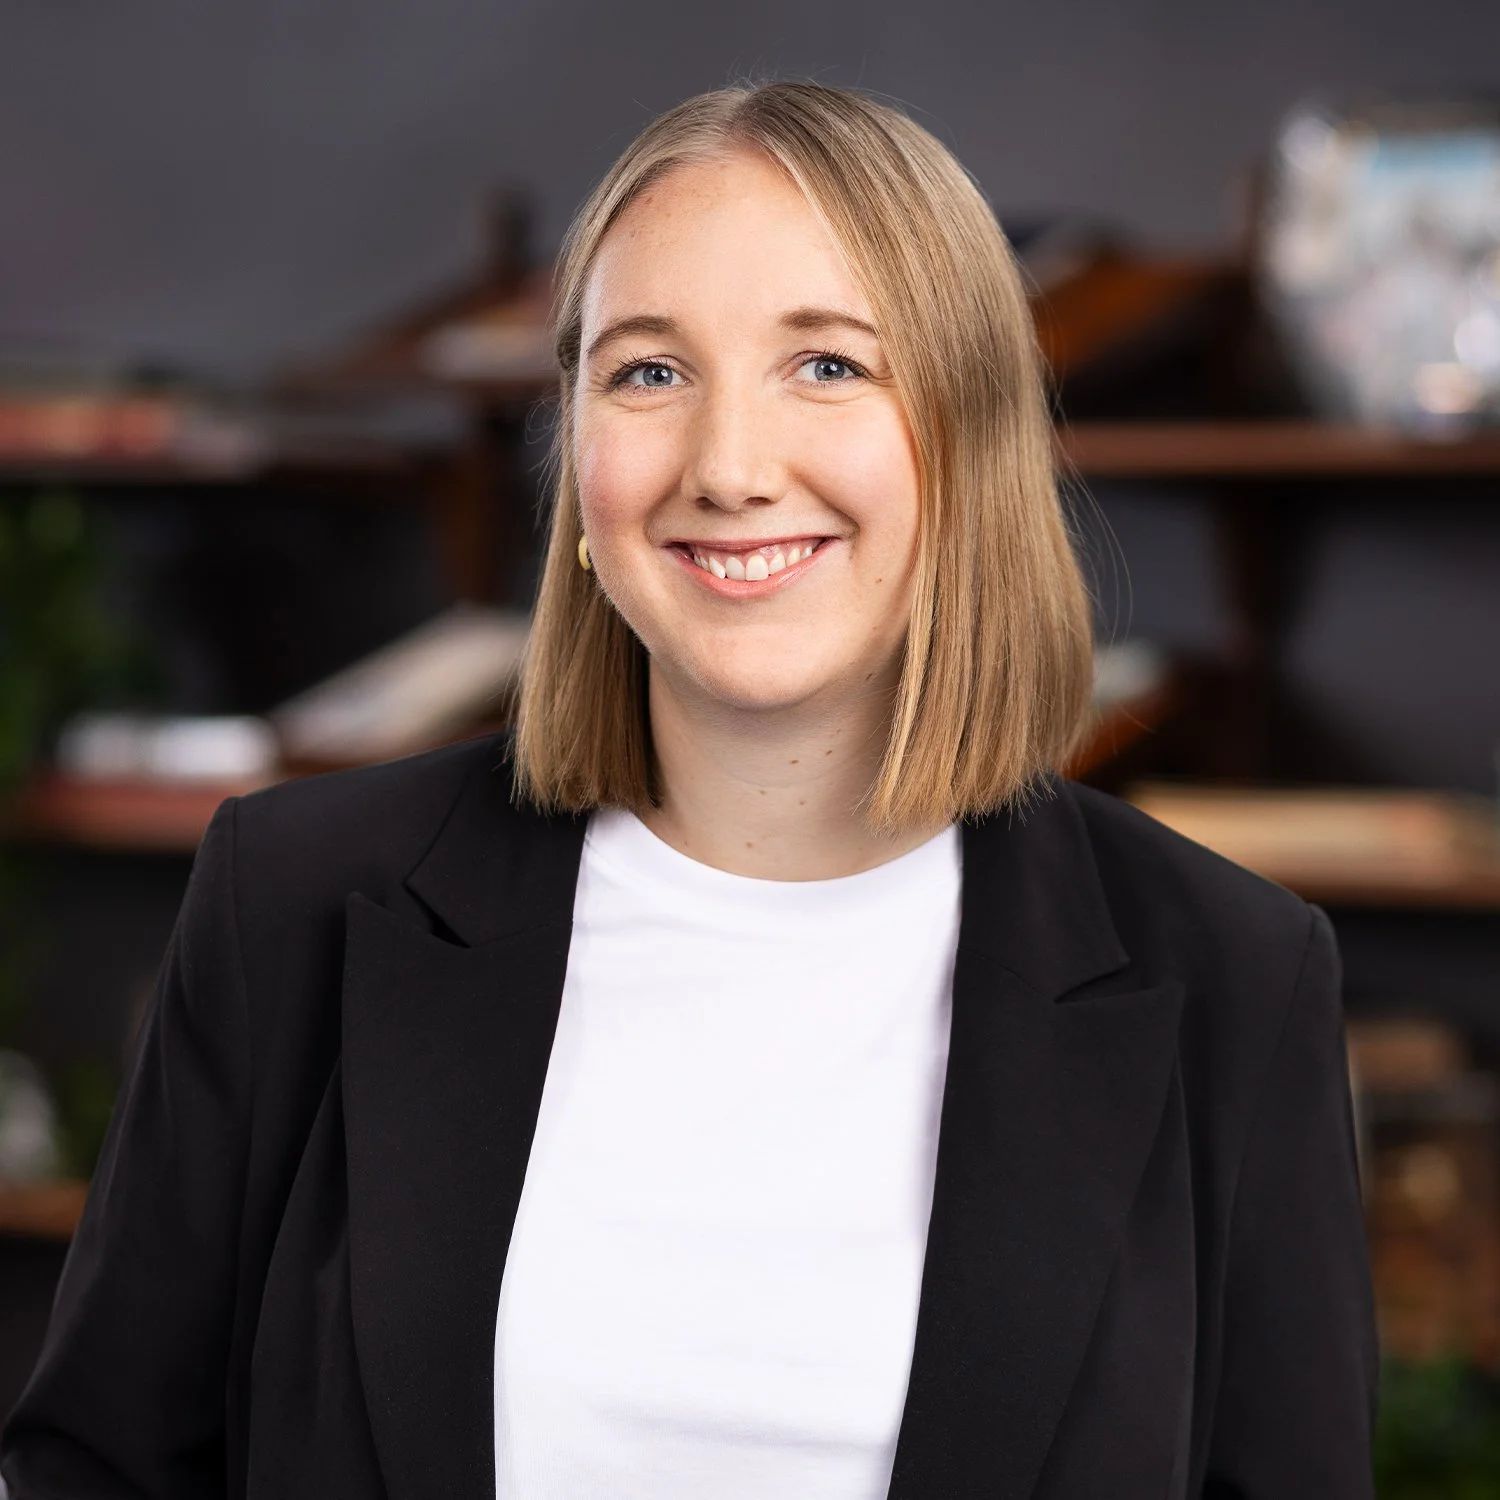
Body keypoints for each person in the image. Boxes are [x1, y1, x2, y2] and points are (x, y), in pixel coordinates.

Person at [1, 81, 1377, 1500]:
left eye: (830, 366)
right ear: (577, 457)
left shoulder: (1235, 978)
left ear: (969, 445)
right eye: (650, 372)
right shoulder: (292, 898)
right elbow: (97, 1467)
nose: (728, 469)